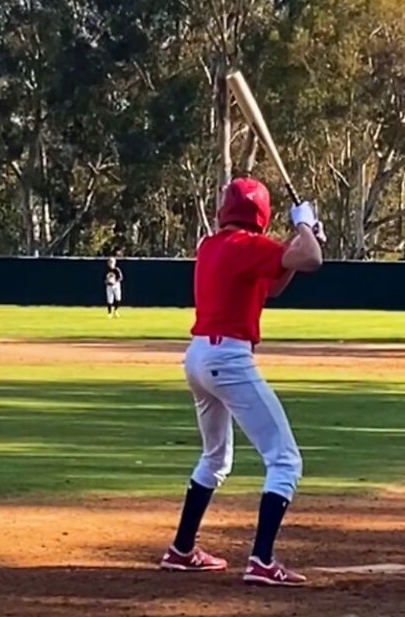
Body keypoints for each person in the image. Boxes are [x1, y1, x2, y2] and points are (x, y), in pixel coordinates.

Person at [159, 177, 323, 587]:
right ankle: (262, 560)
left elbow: (274, 283)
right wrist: (304, 227)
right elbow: (312, 260)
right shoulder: (248, 247)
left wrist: (300, 236)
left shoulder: (212, 246)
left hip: (198, 356)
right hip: (229, 358)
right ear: (261, 214)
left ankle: (181, 550)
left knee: (215, 459)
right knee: (285, 460)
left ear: (225, 211)